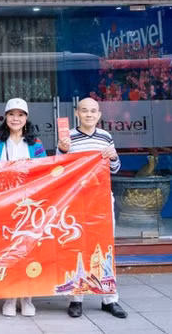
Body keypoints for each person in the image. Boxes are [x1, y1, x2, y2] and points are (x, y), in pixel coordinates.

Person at [57, 97, 127, 319]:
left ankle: (110, 299)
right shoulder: (68, 136)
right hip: (77, 200)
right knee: (77, 247)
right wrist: (62, 150)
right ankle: (76, 299)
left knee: (105, 247)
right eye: (84, 110)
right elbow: (58, 169)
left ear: (99, 115)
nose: (89, 114)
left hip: (102, 199)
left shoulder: (106, 136)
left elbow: (114, 169)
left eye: (93, 111)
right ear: (77, 113)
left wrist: (114, 156)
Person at [0, 98, 46, 317]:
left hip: (29, 205)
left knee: (28, 249)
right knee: (6, 250)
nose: (16, 118)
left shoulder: (36, 144)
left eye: (20, 114)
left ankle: (27, 297)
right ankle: (9, 296)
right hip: (3, 203)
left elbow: (45, 171)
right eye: (11, 114)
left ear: (26, 119)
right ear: (5, 118)